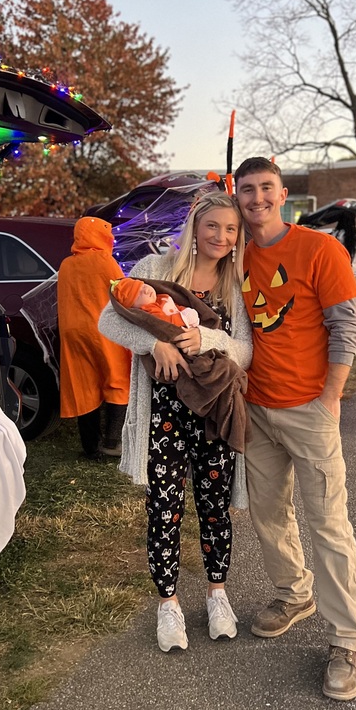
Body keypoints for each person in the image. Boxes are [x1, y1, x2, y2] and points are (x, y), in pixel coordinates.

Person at [234, 157, 356, 703]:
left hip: (310, 407)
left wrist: (332, 394)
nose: (257, 199)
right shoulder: (232, 254)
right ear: (236, 195)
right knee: (269, 513)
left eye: (266, 188)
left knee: (328, 523)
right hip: (256, 408)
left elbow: (346, 322)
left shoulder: (319, 249)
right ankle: (294, 594)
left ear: (283, 194)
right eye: (247, 191)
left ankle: (347, 638)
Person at [98, 192, 252, 653]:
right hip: (164, 414)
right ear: (194, 226)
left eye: (230, 230)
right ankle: (168, 603)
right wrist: (153, 344)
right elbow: (109, 319)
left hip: (214, 413)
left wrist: (206, 336)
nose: (221, 237)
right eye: (213, 227)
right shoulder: (155, 268)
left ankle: (217, 595)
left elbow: (244, 350)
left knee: (214, 507)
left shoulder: (235, 284)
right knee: (164, 509)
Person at [57, 216, 131, 459]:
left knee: (83, 383)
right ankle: (112, 442)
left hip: (73, 333)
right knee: (117, 378)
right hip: (103, 330)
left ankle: (90, 446)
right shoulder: (105, 261)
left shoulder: (66, 264)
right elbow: (123, 292)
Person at [111, 277, 200, 327]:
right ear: (135, 307)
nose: (145, 290)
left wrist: (185, 310)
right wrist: (184, 319)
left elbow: (176, 306)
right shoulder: (150, 309)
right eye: (138, 295)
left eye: (143, 286)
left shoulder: (160, 297)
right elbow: (164, 323)